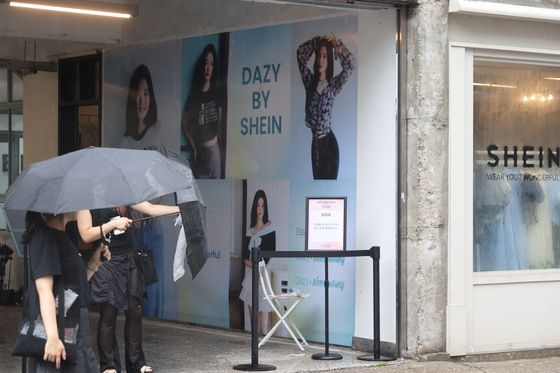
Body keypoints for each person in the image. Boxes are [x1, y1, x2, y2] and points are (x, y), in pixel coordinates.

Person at [77, 202, 179, 373]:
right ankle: (109, 365)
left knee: (135, 313)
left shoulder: (123, 193)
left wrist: (180, 208)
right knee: (108, 315)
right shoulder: (88, 199)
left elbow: (151, 209)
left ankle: (137, 363)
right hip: (105, 261)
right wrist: (112, 225)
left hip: (129, 259)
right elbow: (86, 235)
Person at [22, 210, 112, 372]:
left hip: (75, 332)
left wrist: (93, 264)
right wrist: (52, 337)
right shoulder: (45, 238)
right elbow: (44, 289)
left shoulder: (62, 236)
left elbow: (70, 287)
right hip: (59, 332)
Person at [120, 63, 170, 319]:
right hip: (134, 225)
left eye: (146, 93)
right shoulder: (125, 141)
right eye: (138, 94)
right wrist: (132, 208)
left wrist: (155, 207)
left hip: (153, 225)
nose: (142, 100)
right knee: (133, 290)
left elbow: (164, 174)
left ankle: (157, 343)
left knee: (155, 290)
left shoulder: (158, 129)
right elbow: (123, 184)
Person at [297, 31, 356, 180]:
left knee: (329, 187)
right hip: (315, 145)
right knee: (317, 186)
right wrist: (317, 42)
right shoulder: (309, 81)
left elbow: (351, 65)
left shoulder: (333, 86)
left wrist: (338, 46)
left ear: (329, 60)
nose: (321, 60)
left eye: (324, 56)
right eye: (319, 56)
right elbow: (300, 55)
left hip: (329, 145)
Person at [182, 44, 225, 179]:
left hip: (215, 153)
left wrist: (224, 152)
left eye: (211, 64)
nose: (208, 68)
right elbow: (184, 122)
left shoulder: (217, 91)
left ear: (214, 67)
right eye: (206, 63)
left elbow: (220, 125)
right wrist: (193, 146)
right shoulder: (195, 94)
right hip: (199, 154)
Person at [239, 190, 276, 334]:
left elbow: (273, 253)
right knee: (254, 326)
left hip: (264, 277)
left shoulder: (270, 225)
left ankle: (264, 354)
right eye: (258, 205)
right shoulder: (249, 230)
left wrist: (264, 271)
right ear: (254, 207)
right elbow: (245, 259)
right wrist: (256, 267)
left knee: (263, 329)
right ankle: (253, 354)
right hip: (251, 277)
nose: (260, 209)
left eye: (263, 206)